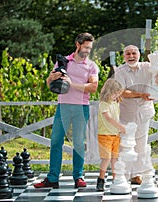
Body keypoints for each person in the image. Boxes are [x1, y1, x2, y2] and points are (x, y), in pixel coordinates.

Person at [34, 32, 99, 189]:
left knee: (78, 143)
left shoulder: (91, 66)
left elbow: (93, 87)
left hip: (81, 108)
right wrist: (51, 77)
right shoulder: (63, 61)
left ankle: (78, 177)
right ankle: (52, 178)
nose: (88, 51)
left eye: (90, 48)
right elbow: (50, 84)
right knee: (56, 142)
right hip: (63, 106)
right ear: (78, 44)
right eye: (86, 47)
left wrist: (71, 83)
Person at [114, 45, 158, 184]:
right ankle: (124, 174)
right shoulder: (120, 71)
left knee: (141, 144)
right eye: (128, 54)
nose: (131, 56)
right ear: (124, 56)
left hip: (144, 113)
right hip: (126, 114)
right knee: (126, 145)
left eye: (134, 53)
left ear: (139, 55)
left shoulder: (147, 66)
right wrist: (140, 95)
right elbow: (121, 92)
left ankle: (137, 174)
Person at [96, 78, 126, 191]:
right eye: (114, 93)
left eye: (118, 94)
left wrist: (119, 129)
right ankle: (101, 179)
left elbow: (116, 117)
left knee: (115, 158)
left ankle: (116, 179)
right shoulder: (104, 104)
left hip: (115, 135)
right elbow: (108, 118)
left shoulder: (115, 103)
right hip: (105, 135)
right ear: (108, 92)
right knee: (106, 159)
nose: (116, 96)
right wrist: (120, 127)